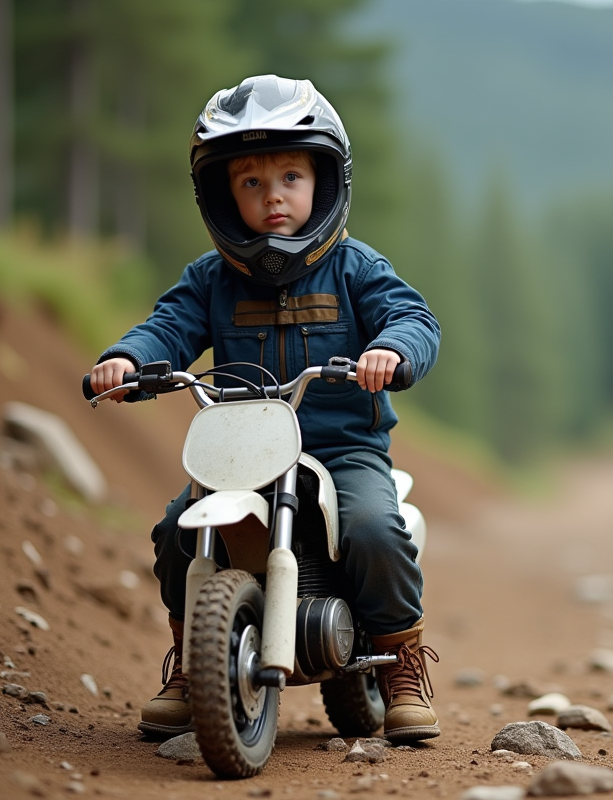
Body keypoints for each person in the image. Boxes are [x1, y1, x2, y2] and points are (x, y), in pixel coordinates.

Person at [88, 75, 442, 743]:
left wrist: (393, 350)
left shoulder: (355, 268)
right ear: (223, 195)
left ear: (325, 183)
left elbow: (411, 316)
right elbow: (169, 326)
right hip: (241, 452)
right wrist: (129, 360)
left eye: (290, 175)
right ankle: (193, 667)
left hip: (342, 449)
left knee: (372, 527)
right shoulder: (210, 279)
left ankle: (400, 665)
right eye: (251, 183)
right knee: (176, 531)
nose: (272, 195)